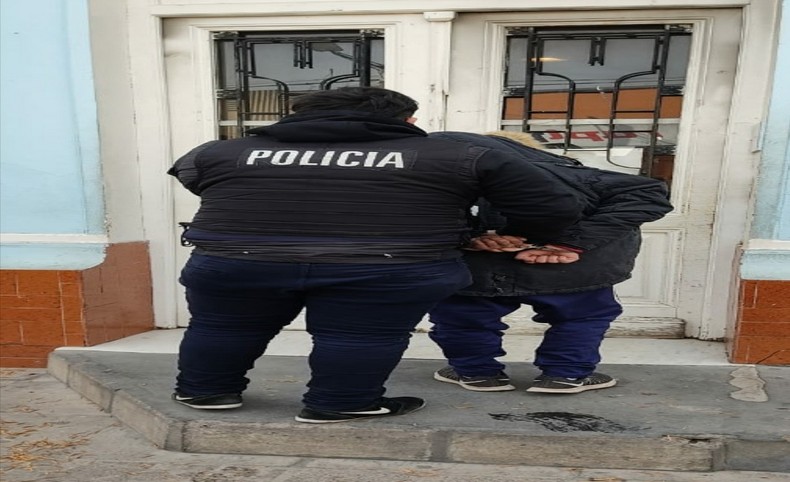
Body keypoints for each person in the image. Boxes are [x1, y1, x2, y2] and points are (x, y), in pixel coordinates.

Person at [166, 87, 585, 423]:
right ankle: (340, 404)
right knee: (359, 336)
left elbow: (196, 181)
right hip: (388, 265)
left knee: (224, 327)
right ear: (407, 121)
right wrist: (514, 234)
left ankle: (204, 392)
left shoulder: (220, 151)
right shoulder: (461, 155)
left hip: (236, 259)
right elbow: (553, 204)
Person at [427, 130, 674, 394]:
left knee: (464, 316)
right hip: (573, 267)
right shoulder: (566, 173)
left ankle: (476, 373)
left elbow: (412, 213)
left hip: (475, 267)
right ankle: (565, 374)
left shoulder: (437, 174)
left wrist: (472, 237)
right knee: (581, 316)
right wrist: (570, 243)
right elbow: (648, 194)